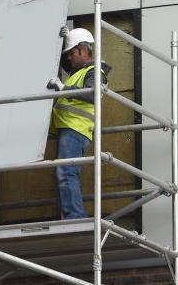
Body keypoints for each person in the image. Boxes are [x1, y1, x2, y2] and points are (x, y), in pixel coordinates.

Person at [47, 27, 111, 219]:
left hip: (76, 130)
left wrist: (63, 87)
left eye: (72, 53)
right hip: (69, 130)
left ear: (84, 50)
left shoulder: (95, 71)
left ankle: (75, 217)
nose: (68, 58)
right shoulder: (79, 72)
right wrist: (65, 40)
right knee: (64, 173)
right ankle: (71, 216)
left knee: (67, 173)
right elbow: (64, 63)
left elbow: (93, 94)